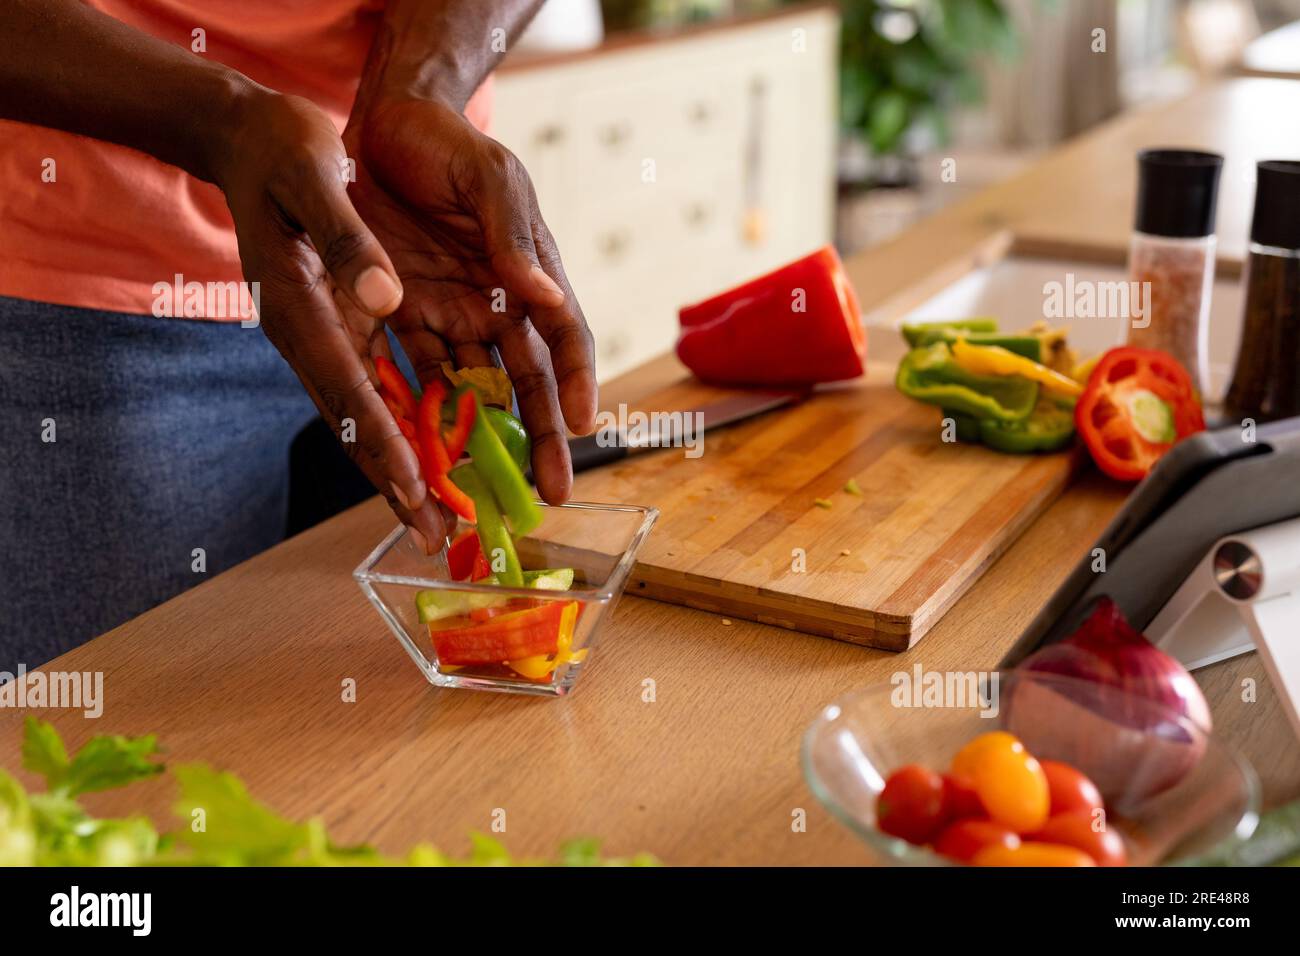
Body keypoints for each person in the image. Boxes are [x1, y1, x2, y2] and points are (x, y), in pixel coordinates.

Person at [0, 1, 596, 668]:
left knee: (370, 714)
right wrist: (221, 118)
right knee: (118, 707)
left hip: (403, 247)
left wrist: (421, 86)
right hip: (89, 275)